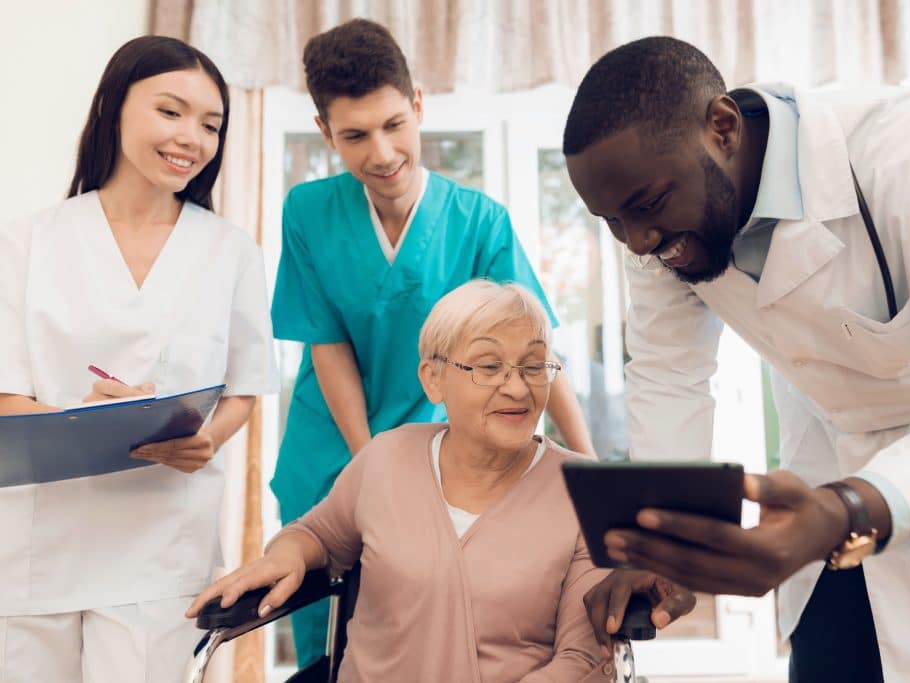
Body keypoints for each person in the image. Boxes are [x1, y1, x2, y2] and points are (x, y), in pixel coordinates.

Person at [562, 37, 910, 682]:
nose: (637, 241)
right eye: (610, 220)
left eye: (646, 206)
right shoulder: (659, 229)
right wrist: (663, 545)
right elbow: (670, 374)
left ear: (722, 127)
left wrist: (849, 510)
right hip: (828, 468)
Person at [270, 18, 595, 665]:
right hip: (332, 451)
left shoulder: (479, 221)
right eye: (355, 136)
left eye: (394, 124)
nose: (382, 152)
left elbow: (533, 349)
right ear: (325, 131)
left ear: (418, 105)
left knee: (444, 628)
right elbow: (325, 345)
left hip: (444, 455)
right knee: (331, 645)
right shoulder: (307, 211)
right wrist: (381, 473)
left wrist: (594, 473)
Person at [0, 36, 278, 682]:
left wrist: (205, 438)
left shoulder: (230, 251)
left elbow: (244, 389)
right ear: (112, 106)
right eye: (171, 111)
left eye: (212, 124)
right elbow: (5, 394)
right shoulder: (27, 242)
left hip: (158, 544)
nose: (193, 137)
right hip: (38, 542)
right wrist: (86, 422)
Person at [190, 280, 610, 682]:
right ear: (433, 378)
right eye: (489, 366)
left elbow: (583, 657)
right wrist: (289, 555)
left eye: (534, 366)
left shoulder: (585, 493)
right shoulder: (388, 458)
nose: (518, 388)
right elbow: (318, 533)